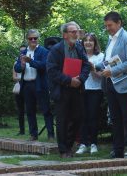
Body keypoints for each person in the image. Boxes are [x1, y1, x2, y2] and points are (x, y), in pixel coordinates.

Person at [47, 21, 90, 158]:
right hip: (62, 90)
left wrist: (80, 79)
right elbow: (52, 71)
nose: (76, 34)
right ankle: (63, 150)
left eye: (77, 31)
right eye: (73, 31)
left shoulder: (79, 48)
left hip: (77, 89)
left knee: (78, 117)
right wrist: (69, 81)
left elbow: (86, 66)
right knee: (63, 120)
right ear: (65, 34)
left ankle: (69, 145)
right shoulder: (56, 50)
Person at [100, 11, 127, 158]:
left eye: (110, 25)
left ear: (119, 23)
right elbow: (110, 59)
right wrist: (100, 65)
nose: (107, 28)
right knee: (115, 119)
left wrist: (112, 71)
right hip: (111, 84)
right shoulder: (110, 39)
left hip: (124, 85)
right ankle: (118, 150)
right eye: (106, 26)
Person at [14, 29, 54, 141]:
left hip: (40, 84)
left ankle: (50, 134)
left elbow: (44, 66)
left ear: (38, 39)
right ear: (27, 39)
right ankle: (33, 134)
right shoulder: (23, 52)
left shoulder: (43, 51)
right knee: (30, 111)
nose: (33, 40)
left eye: (35, 38)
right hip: (27, 84)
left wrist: (30, 61)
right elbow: (17, 68)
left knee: (46, 110)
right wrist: (21, 65)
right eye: (30, 38)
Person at [75, 33, 104, 155]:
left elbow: (101, 76)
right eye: (85, 40)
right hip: (81, 90)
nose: (88, 43)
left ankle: (93, 144)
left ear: (95, 43)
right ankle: (83, 144)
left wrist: (92, 68)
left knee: (93, 117)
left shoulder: (101, 56)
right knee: (82, 118)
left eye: (91, 41)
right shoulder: (78, 56)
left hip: (95, 90)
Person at [13, 45, 27, 136]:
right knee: (20, 110)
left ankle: (33, 131)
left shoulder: (29, 61)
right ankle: (22, 130)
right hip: (19, 88)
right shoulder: (16, 63)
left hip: (28, 87)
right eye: (20, 51)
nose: (22, 53)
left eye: (23, 51)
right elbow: (14, 77)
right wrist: (21, 78)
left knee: (30, 109)